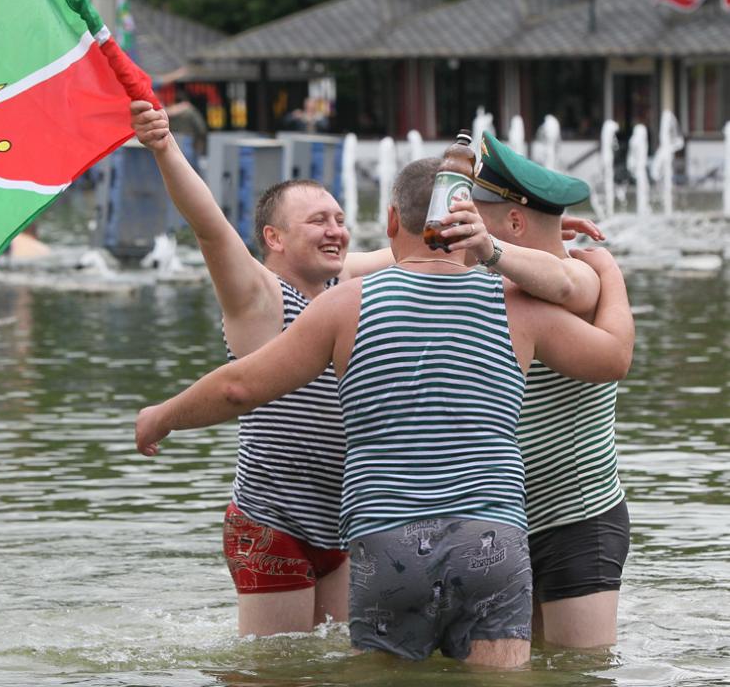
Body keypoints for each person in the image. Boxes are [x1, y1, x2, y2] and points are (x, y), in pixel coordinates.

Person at [133, 157, 634, 667]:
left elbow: (241, 387)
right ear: (468, 226)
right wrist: (594, 262)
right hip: (492, 541)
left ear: (391, 222)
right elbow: (613, 357)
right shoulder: (516, 305)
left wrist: (165, 414)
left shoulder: (344, 304)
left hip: (387, 543)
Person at [129, 99, 397, 637]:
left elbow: (417, 251)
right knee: (274, 673)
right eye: (319, 221)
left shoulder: (343, 287)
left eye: (341, 221)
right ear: (274, 238)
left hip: (338, 521)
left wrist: (534, 239)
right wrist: (164, 146)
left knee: (333, 671)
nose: (337, 231)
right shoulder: (260, 295)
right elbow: (209, 226)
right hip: (273, 521)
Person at [447, 133, 632, 648]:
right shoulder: (493, 274)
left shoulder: (583, 274)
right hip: (504, 519)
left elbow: (565, 284)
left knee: (580, 672)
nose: (466, 222)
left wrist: (494, 248)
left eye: (477, 213)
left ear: (512, 223)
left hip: (577, 517)